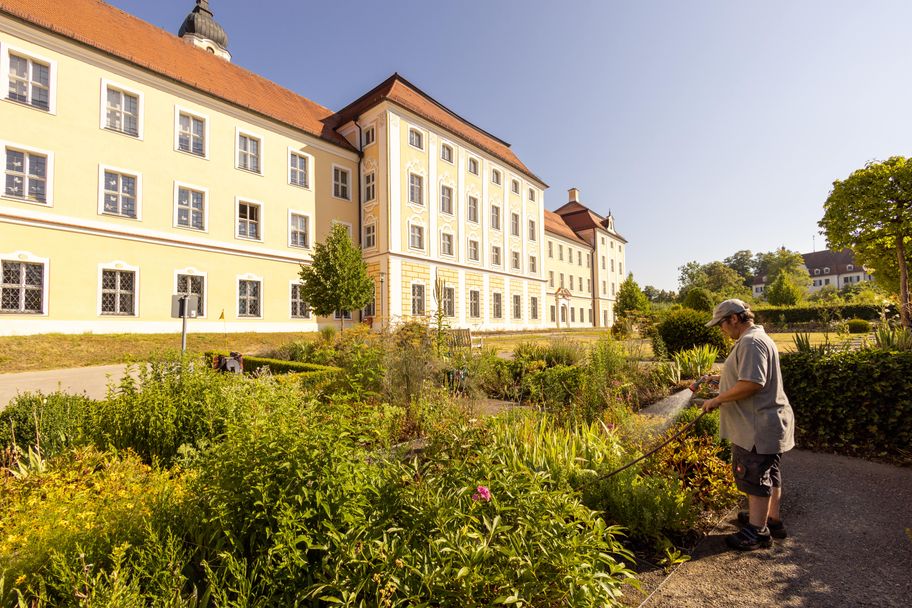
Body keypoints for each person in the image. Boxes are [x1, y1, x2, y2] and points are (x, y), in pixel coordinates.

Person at [700, 299, 795, 551]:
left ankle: (757, 531)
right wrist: (721, 379)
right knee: (769, 473)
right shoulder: (756, 338)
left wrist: (717, 399)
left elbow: (753, 383)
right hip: (768, 423)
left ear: (733, 319)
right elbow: (748, 374)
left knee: (754, 477)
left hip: (756, 427)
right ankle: (771, 519)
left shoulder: (751, 342)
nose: (721, 329)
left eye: (721, 323)